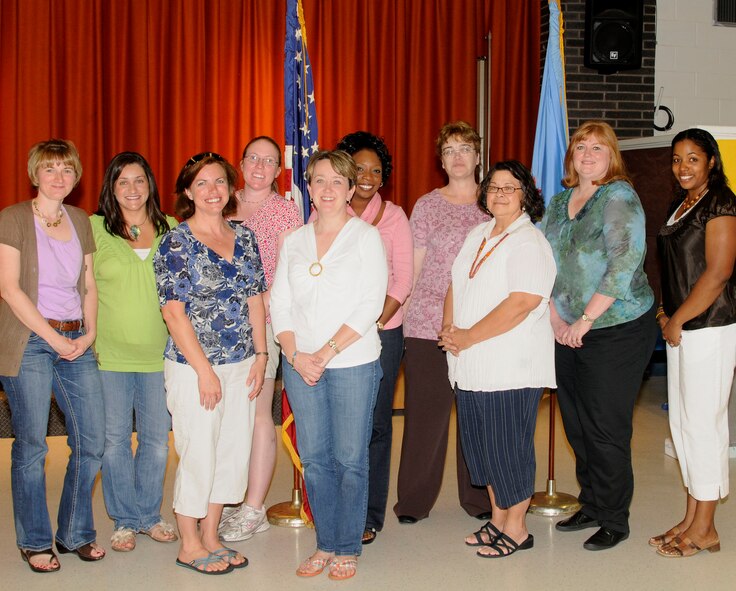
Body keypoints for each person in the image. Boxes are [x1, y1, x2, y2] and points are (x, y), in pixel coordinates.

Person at [270, 150, 388, 580]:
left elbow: (370, 303)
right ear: (309, 187)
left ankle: (347, 546)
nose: (327, 189)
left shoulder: (365, 237)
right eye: (319, 180)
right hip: (300, 365)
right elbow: (279, 303)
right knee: (315, 457)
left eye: (337, 181)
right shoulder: (294, 241)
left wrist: (324, 353)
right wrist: (296, 354)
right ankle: (325, 541)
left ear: (351, 189)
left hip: (351, 361)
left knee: (350, 457)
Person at [541, 121, 657, 551]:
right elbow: (543, 264)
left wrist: (583, 321)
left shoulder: (619, 196)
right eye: (580, 147)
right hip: (566, 328)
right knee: (577, 424)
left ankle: (613, 516)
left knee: (605, 427)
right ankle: (590, 503)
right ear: (571, 155)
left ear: (611, 157)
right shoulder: (556, 204)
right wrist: (556, 320)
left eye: (598, 148)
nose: (587, 154)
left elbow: (624, 264)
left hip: (616, 328)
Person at [154, 152, 267, 575]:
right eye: (201, 183)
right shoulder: (175, 242)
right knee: (198, 451)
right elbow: (173, 313)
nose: (212, 190)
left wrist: (261, 355)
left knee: (232, 453)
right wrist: (204, 371)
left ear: (230, 188)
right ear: (188, 191)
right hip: (193, 367)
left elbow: (256, 298)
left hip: (242, 365)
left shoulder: (246, 237)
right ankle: (188, 543)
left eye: (219, 181)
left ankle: (212, 535)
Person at [439, 161, 556, 558]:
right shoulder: (478, 233)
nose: (501, 193)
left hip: (510, 367)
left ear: (526, 195)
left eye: (511, 187)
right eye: (494, 187)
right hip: (471, 364)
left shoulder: (530, 242)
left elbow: (522, 303)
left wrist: (468, 335)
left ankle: (518, 529)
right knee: (482, 448)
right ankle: (497, 518)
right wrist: (450, 328)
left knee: (508, 448)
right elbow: (457, 282)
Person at [0, 139, 106, 572]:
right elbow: (9, 288)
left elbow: (89, 284)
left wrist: (88, 333)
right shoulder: (12, 218)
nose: (59, 177)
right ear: (34, 174)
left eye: (66, 170)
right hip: (30, 341)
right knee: (31, 446)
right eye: (50, 169)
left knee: (92, 440)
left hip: (76, 339)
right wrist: (55, 339)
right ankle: (35, 541)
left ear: (76, 176)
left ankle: (74, 532)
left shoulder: (80, 219)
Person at [394, 121, 491, 523]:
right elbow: (413, 265)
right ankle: (414, 502)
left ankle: (480, 499)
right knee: (425, 416)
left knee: (477, 415)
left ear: (478, 155)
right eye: (449, 149)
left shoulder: (495, 201)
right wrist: (404, 318)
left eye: (465, 148)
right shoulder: (427, 205)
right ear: (441, 159)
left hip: (480, 326)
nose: (457, 156)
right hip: (428, 325)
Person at [652, 128, 736, 558]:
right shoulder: (679, 204)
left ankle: (706, 528)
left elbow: (718, 272)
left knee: (704, 425)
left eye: (693, 160)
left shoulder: (722, 203)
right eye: (677, 160)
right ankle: (690, 518)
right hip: (682, 327)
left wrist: (678, 319)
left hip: (710, 328)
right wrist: (667, 314)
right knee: (684, 426)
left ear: (711, 163)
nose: (682, 168)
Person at [91, 152, 178, 552]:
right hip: (108, 356)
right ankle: (124, 520)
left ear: (150, 185)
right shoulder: (93, 229)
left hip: (160, 356)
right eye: (122, 181)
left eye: (139, 180)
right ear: (111, 187)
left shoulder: (171, 228)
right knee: (114, 441)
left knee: (157, 441)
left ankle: (148, 515)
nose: (131, 189)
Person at [218, 136, 302, 542]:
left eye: (269, 161)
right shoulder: (220, 199)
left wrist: (251, 309)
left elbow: (289, 273)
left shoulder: (285, 213)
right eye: (253, 158)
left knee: (255, 414)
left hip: (260, 323)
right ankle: (226, 499)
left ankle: (253, 507)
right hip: (214, 327)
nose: (260, 166)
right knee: (222, 414)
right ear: (241, 162)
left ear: (277, 170)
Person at [335, 131, 413, 545]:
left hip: (383, 332)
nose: (367, 177)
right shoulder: (326, 211)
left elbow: (402, 279)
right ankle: (335, 506)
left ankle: (369, 514)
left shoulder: (394, 217)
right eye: (359, 168)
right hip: (333, 336)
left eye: (376, 171)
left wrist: (372, 323)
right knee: (339, 425)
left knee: (375, 424)